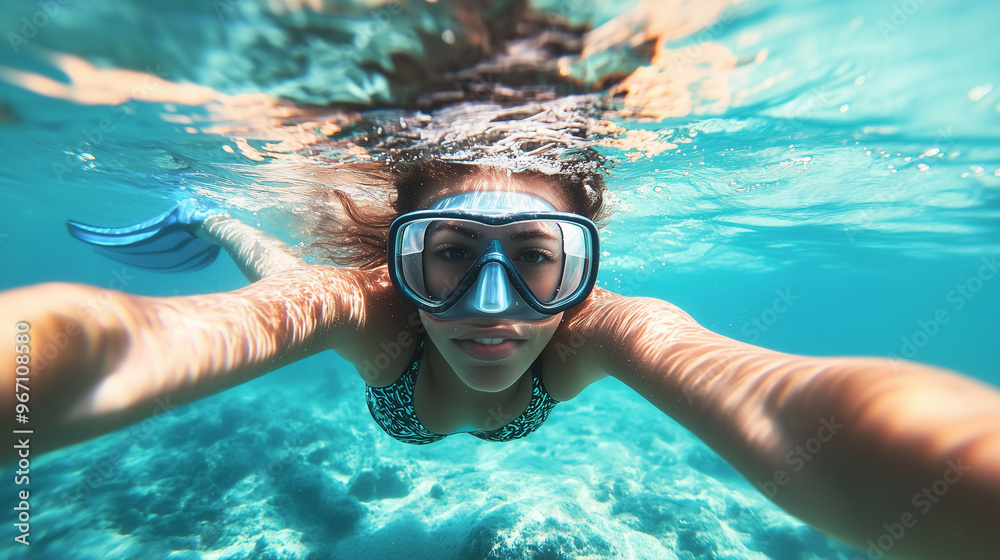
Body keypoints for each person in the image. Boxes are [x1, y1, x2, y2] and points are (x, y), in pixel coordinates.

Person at [3, 156, 999, 560]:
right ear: (404, 258)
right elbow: (124, 346)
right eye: (446, 255)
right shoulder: (366, 307)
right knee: (276, 266)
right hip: (360, 338)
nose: (492, 309)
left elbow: (794, 409)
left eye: (533, 258)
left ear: (580, 265)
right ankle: (209, 211)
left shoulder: (602, 324)